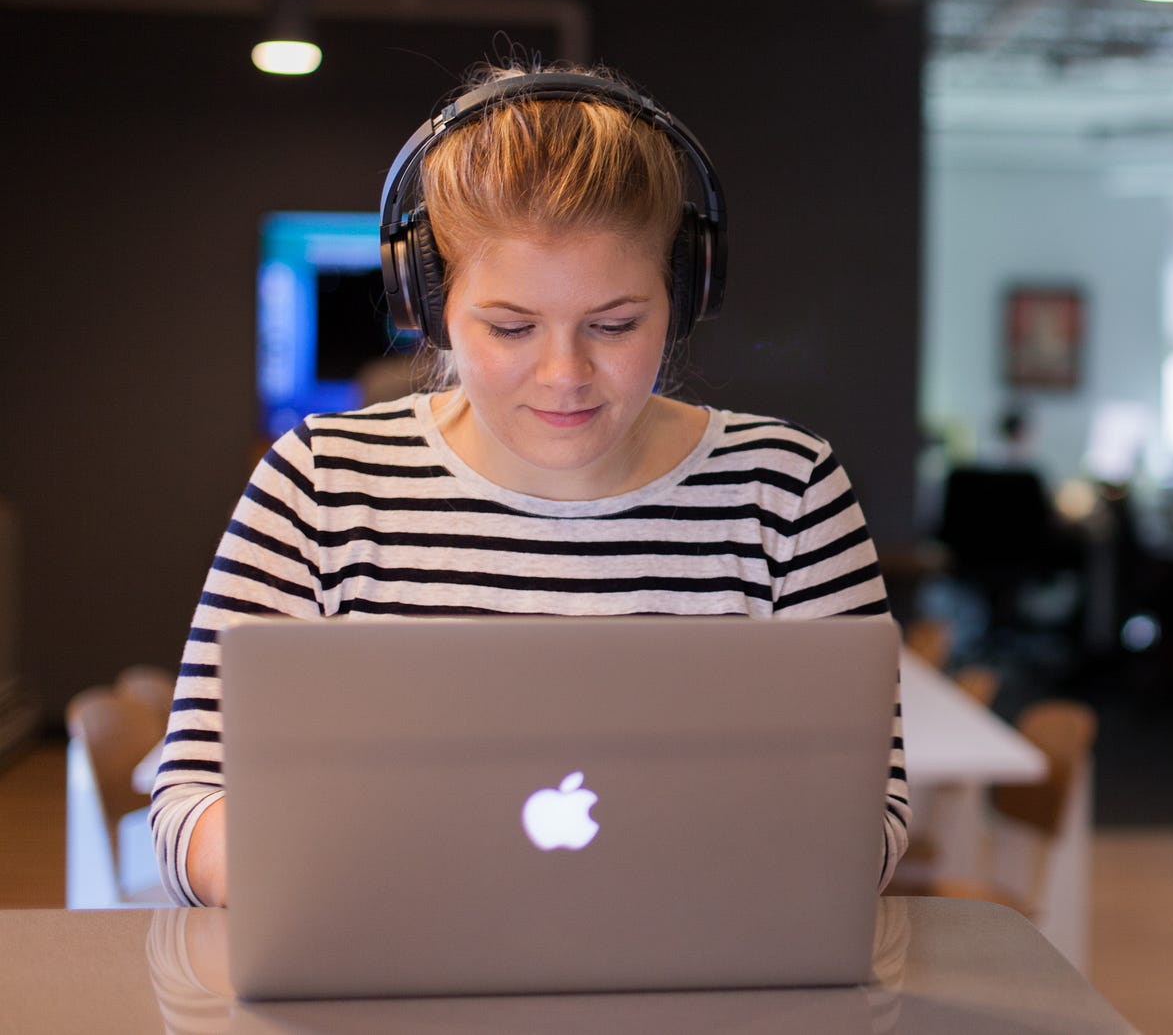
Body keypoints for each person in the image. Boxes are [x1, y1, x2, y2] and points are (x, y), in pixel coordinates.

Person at [150, 63, 909, 906]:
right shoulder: (322, 482)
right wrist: (341, 874)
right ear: (429, 303)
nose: (563, 374)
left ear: (684, 294)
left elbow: (868, 824)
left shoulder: (787, 492)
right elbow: (190, 805)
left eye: (614, 324)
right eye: (511, 327)